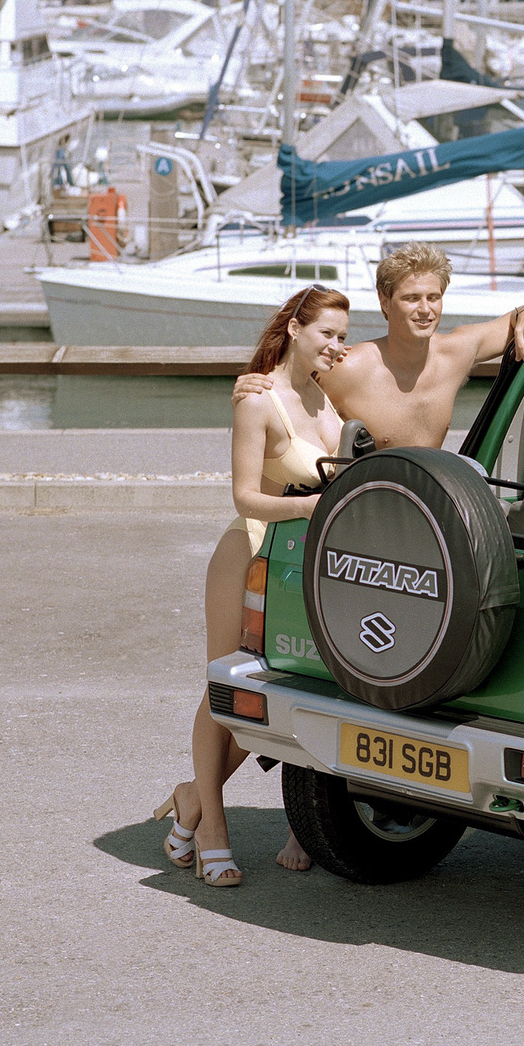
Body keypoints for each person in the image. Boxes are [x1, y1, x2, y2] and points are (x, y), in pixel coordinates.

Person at [153, 285, 350, 887]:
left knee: (285, 690)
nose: (336, 346)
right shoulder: (258, 399)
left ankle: (193, 796)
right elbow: (244, 496)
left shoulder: (329, 396)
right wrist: (312, 506)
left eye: (343, 336)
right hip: (249, 552)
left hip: (299, 565)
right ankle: (212, 828)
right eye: (326, 333)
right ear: (295, 328)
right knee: (225, 687)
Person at [233, 242, 524, 449]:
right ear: (385, 302)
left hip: (428, 507)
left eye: (433, 297)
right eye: (411, 298)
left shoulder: (457, 352)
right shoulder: (350, 367)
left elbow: (516, 318)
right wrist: (250, 388)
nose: (425, 310)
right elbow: (283, 397)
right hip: (369, 511)